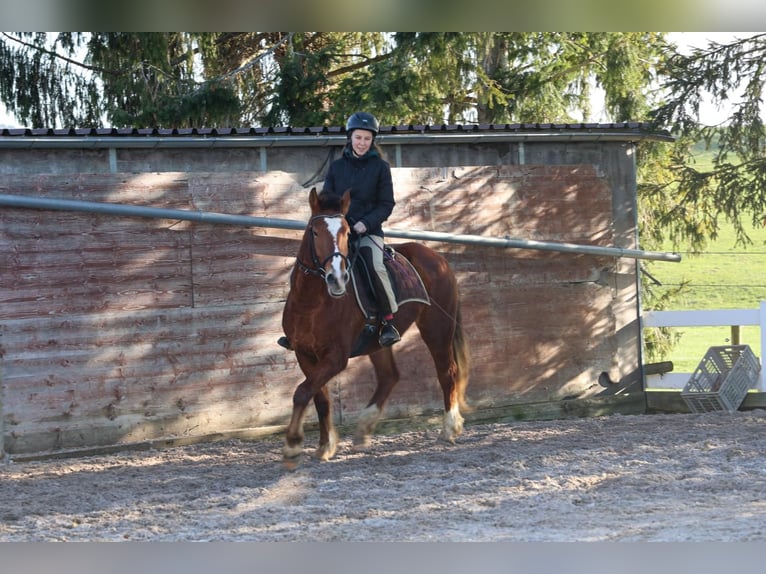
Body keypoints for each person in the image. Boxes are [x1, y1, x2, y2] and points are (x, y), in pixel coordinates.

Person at [278, 111, 400, 350]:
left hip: (367, 232)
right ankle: (298, 326)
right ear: (350, 138)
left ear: (372, 140)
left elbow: (387, 204)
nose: (362, 143)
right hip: (338, 231)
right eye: (358, 138)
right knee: (309, 265)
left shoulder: (381, 168)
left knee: (374, 265)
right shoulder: (336, 167)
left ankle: (387, 322)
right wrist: (335, 221)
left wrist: (365, 223)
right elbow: (326, 199)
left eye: (367, 138)